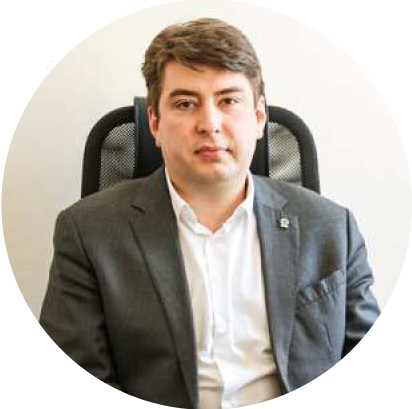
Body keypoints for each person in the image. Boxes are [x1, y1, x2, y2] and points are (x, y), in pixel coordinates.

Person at [40, 18, 380, 409]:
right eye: (185, 103)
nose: (210, 124)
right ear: (155, 123)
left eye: (228, 101)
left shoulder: (333, 228)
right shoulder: (88, 233)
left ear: (258, 118)